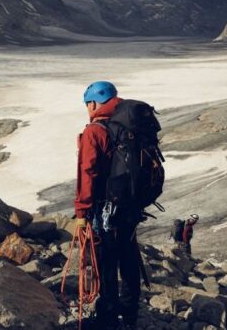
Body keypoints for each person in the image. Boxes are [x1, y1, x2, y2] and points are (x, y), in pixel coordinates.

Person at [75, 81, 141, 330]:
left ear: (93, 102)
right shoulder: (128, 126)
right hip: (131, 208)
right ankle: (131, 314)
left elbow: (88, 172)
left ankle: (109, 318)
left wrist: (82, 211)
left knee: (106, 261)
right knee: (129, 257)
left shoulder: (95, 131)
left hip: (105, 210)